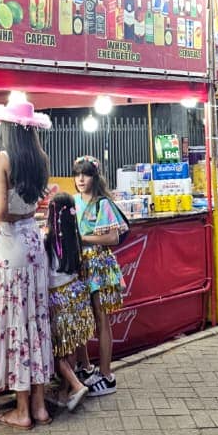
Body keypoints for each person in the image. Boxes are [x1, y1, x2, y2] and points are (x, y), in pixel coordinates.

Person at [0, 100, 54, 430]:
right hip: (33, 245)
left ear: (7, 127)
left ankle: (22, 411)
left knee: (17, 322)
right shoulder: (41, 159)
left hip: (8, 248)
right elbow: (33, 203)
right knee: (34, 321)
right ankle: (40, 406)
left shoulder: (0, 160)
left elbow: (1, 209)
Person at [72, 154, 127, 397]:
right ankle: (85, 368)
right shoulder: (73, 201)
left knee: (101, 319)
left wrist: (83, 238)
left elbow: (113, 238)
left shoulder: (102, 204)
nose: (81, 179)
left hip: (99, 265)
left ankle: (107, 375)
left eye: (86, 174)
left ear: (95, 177)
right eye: (77, 174)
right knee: (83, 320)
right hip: (79, 266)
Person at [43, 192, 93, 413]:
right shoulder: (75, 237)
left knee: (56, 350)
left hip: (58, 300)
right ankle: (64, 393)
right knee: (69, 345)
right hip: (76, 298)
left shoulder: (48, 242)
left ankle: (75, 384)